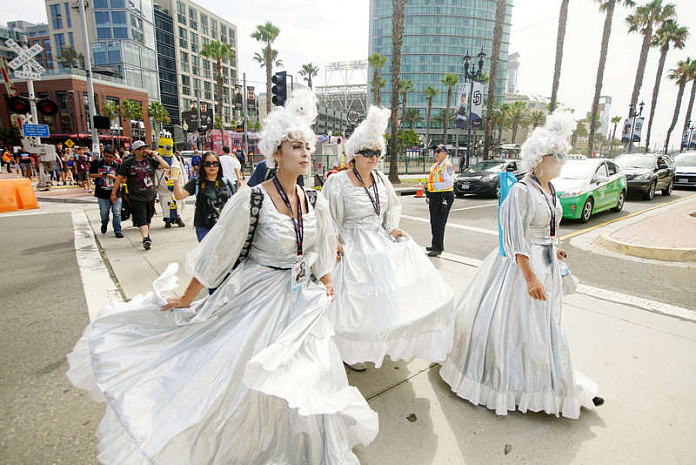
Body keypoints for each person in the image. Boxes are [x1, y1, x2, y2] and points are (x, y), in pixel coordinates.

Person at [66, 89, 378, 464]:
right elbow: (217, 252)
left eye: (307, 146)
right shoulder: (252, 198)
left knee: (309, 376)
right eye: (296, 146)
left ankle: (306, 448)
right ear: (276, 152)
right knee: (246, 380)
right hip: (258, 298)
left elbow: (318, 249)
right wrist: (187, 297)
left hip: (301, 301)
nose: (305, 153)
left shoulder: (313, 200)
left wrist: (326, 280)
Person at [439, 111, 603, 419]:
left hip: (546, 265)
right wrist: (529, 277)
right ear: (540, 158)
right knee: (515, 326)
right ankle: (515, 384)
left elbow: (550, 228)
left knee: (546, 327)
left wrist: (556, 250)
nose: (563, 161)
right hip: (521, 269)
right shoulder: (520, 191)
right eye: (558, 156)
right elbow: (515, 238)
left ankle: (552, 381)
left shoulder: (549, 190)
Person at [319, 106, 455, 371]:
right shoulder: (337, 182)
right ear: (354, 155)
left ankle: (381, 344)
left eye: (377, 152)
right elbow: (326, 215)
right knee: (355, 304)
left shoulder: (382, 179)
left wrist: (392, 227)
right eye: (367, 152)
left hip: (378, 239)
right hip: (351, 242)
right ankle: (350, 351)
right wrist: (333, 239)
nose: (373, 157)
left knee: (387, 295)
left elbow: (392, 207)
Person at [111, 140, 170, 250]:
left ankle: (146, 235)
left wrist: (155, 155)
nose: (144, 150)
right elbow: (119, 178)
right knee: (140, 217)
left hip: (150, 195)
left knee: (148, 217)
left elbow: (165, 166)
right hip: (136, 195)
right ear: (134, 151)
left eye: (144, 148)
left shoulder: (150, 161)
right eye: (141, 149)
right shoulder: (127, 163)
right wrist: (114, 192)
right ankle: (145, 238)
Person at [173, 151, 234, 242]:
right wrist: (175, 179)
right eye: (207, 164)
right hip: (204, 226)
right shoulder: (197, 182)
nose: (212, 166)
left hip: (225, 225)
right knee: (208, 254)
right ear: (203, 165)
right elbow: (179, 196)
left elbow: (236, 201)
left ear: (219, 165)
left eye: (215, 163)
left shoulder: (225, 182)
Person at [426, 144, 455, 257]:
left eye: (438, 151)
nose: (436, 154)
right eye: (435, 151)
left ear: (445, 153)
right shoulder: (436, 165)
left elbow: (449, 183)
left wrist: (432, 186)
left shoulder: (447, 166)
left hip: (443, 196)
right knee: (434, 221)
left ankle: (437, 248)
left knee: (439, 222)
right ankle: (435, 244)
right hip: (435, 195)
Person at [89, 146, 123, 238]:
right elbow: (90, 175)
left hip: (116, 192)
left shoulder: (117, 165)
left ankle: (118, 230)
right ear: (103, 155)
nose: (108, 159)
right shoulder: (97, 163)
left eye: (110, 157)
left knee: (116, 212)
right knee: (104, 213)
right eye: (106, 156)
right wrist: (99, 175)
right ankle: (104, 223)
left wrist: (114, 178)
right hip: (102, 193)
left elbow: (122, 179)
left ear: (114, 157)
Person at [155, 135, 187, 228]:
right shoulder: (157, 159)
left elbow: (182, 170)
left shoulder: (176, 158)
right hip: (164, 187)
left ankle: (178, 218)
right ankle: (167, 220)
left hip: (176, 185)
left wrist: (185, 182)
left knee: (178, 203)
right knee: (166, 205)